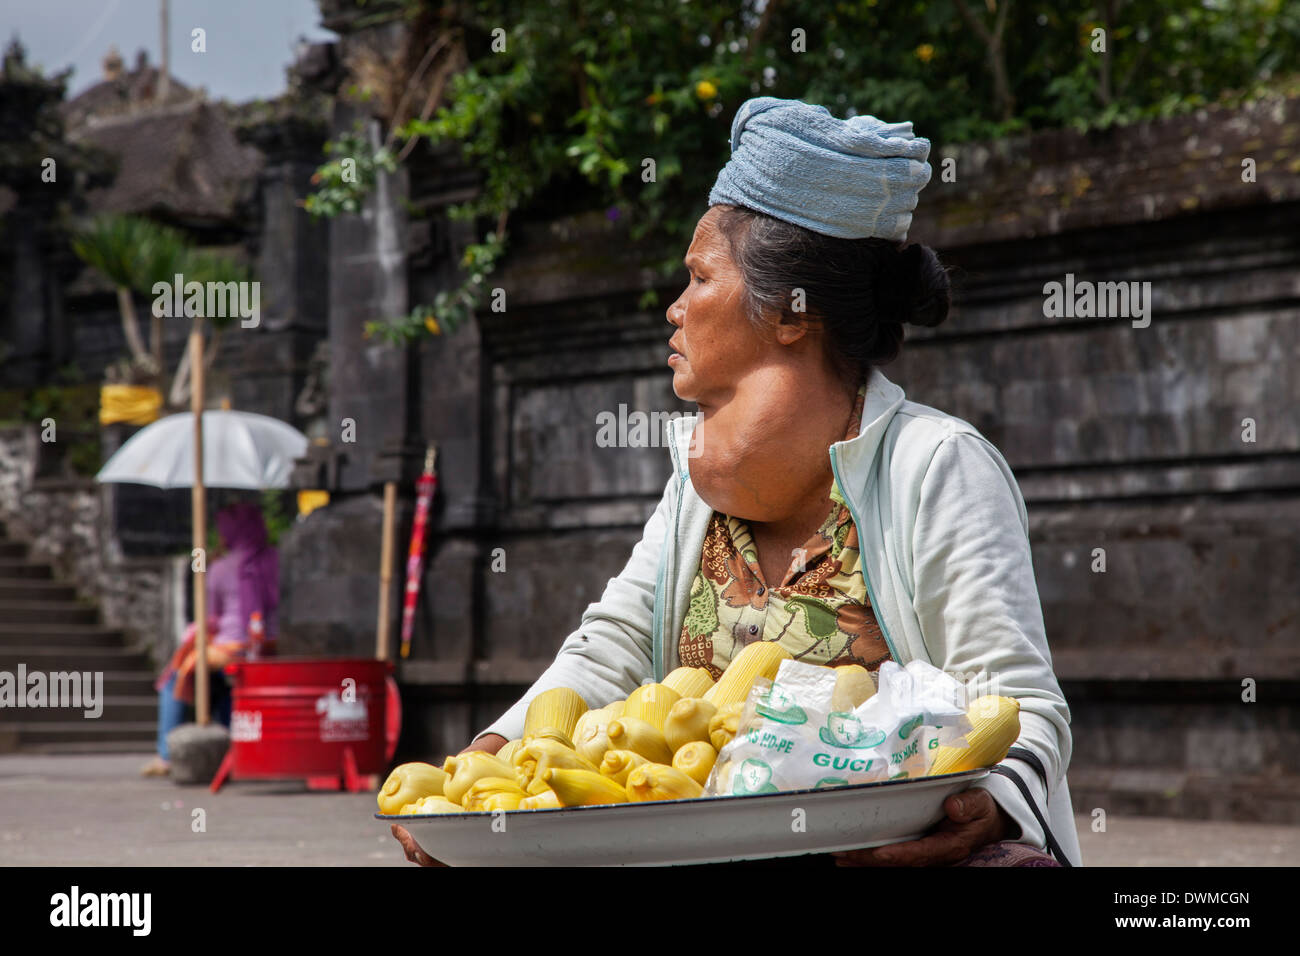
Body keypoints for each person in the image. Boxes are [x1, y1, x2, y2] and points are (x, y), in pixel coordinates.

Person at [392, 97, 1081, 868]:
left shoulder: (936, 464)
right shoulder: (696, 485)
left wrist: (983, 808)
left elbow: (1019, 701)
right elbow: (611, 646)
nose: (674, 309)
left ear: (790, 314)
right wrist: (482, 765)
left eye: (697, 277)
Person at [141, 501, 279, 777]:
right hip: (270, 644)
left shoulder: (222, 568)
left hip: (232, 647)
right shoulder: (275, 560)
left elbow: (211, 616)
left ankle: (166, 755)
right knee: (216, 681)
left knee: (177, 675)